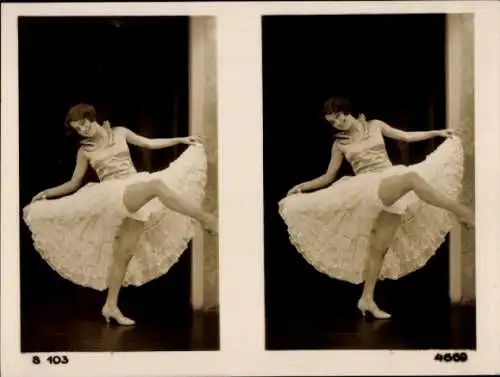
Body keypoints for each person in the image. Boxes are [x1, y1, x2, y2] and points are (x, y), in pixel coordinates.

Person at [279, 97, 474, 319]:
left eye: (338, 118)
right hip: (367, 188)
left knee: (378, 248)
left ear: (345, 112)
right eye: (332, 123)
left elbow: (406, 136)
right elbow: (328, 176)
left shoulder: (375, 125)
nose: (337, 124)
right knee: (410, 178)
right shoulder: (339, 144)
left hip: (389, 180)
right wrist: (302, 187)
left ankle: (366, 299)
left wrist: (438, 132)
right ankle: (462, 212)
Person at [24, 103, 218, 326]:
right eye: (78, 129)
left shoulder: (120, 132)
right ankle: (206, 219)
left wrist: (181, 140)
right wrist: (46, 193)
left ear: (92, 117)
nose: (83, 130)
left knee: (124, 253)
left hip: (133, 187)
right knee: (155, 185)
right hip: (112, 195)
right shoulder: (84, 150)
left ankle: (110, 306)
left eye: (84, 124)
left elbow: (149, 143)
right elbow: (74, 182)